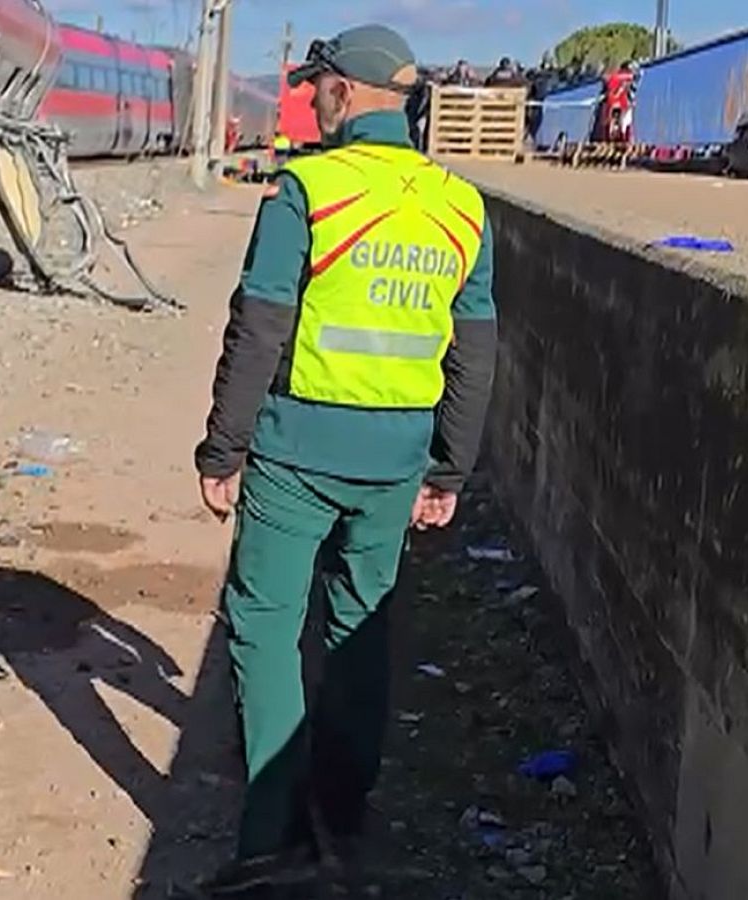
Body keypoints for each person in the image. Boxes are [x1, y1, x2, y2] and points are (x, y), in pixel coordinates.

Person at [188, 24, 497, 898]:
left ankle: (271, 838)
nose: (314, 101)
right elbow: (475, 352)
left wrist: (223, 447)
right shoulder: (461, 206)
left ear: (345, 93)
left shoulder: (308, 190)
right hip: (396, 459)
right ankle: (342, 810)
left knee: (263, 625)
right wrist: (449, 468)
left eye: (319, 87)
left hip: (296, 452)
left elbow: (261, 325)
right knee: (361, 627)